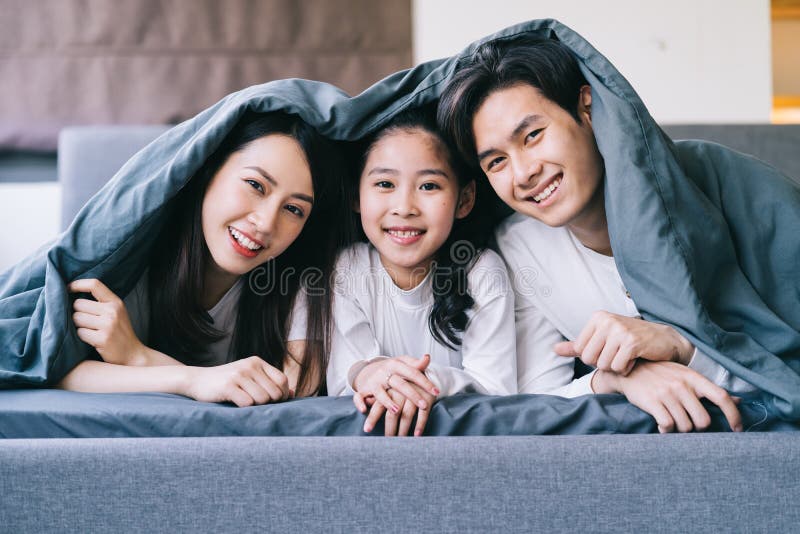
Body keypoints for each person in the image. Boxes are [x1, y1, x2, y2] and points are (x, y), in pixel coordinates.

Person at [437, 35, 762, 433]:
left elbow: (783, 365)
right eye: (497, 161)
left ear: (585, 108)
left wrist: (682, 348)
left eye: (533, 135)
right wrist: (616, 379)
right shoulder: (518, 248)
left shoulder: (716, 185)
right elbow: (535, 402)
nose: (523, 174)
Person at [58, 111, 349, 405]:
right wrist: (194, 379)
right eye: (256, 185)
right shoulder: (133, 263)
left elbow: (293, 401)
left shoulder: (301, 285)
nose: (265, 223)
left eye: (294, 209)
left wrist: (139, 357)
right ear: (209, 169)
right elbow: (59, 373)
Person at [326, 107, 517, 436]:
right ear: (357, 194)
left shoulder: (482, 271)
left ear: (464, 199)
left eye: (429, 186)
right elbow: (347, 376)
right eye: (385, 183)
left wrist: (427, 382)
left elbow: (498, 391)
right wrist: (372, 374)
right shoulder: (346, 269)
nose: (404, 207)